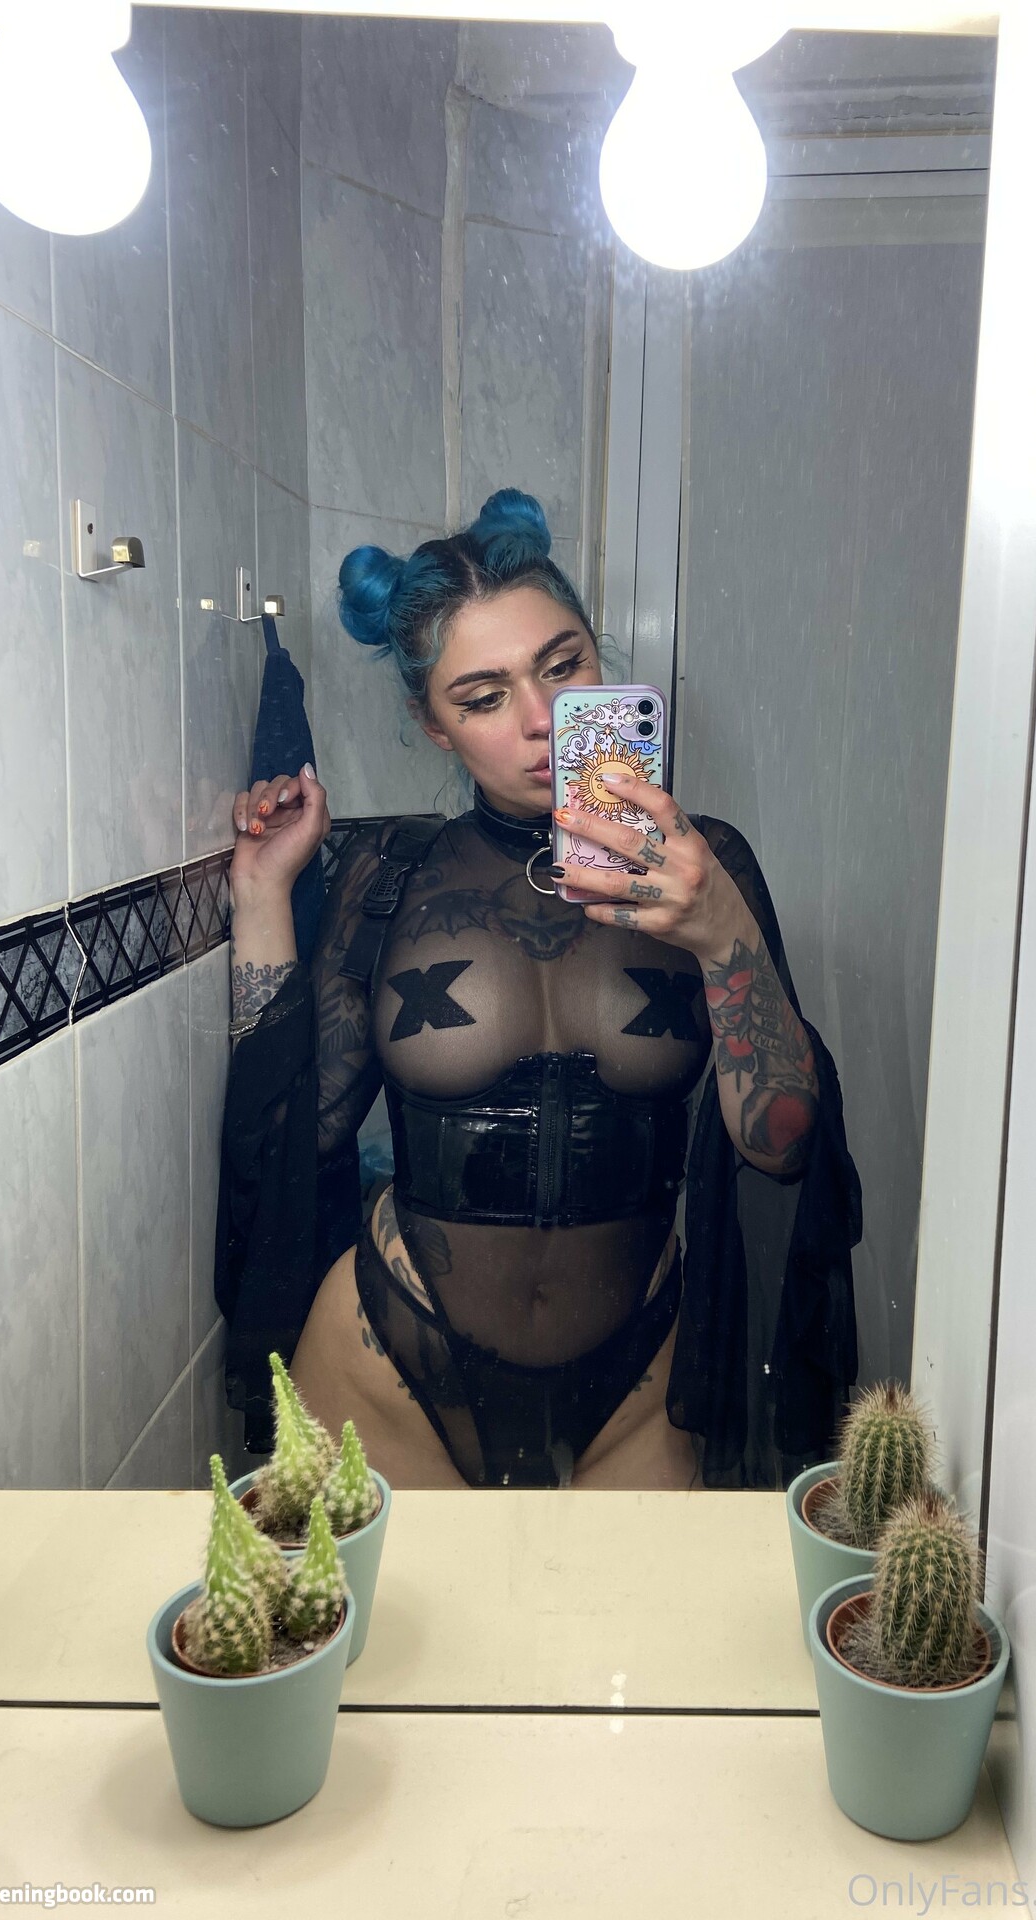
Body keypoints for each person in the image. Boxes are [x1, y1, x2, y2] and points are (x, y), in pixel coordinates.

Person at [215, 489, 860, 1489]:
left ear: (602, 661)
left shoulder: (707, 866)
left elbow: (780, 1146)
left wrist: (722, 932)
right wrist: (263, 895)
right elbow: (297, 1133)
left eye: (564, 668)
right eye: (482, 698)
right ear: (433, 727)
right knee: (384, 1602)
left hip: (643, 1381)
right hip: (387, 1359)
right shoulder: (389, 876)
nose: (540, 721)